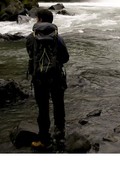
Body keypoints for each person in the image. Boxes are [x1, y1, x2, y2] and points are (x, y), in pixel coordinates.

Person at [26, 8, 69, 151]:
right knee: (59, 105)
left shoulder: (30, 38)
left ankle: (44, 138)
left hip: (39, 78)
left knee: (43, 108)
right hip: (56, 76)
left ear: (39, 19)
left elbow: (31, 56)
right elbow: (65, 58)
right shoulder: (58, 38)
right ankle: (60, 135)